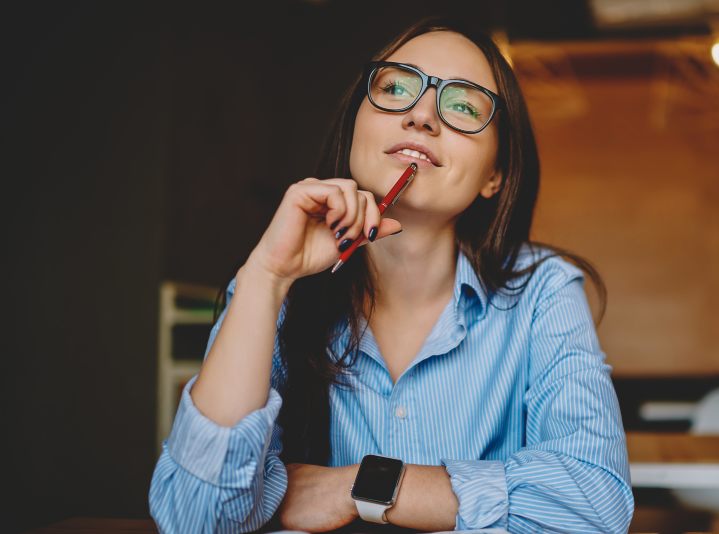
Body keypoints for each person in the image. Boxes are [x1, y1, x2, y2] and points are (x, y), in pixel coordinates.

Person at [149, 17, 634, 534]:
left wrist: (360, 486)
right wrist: (266, 277)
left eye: (464, 106)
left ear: (497, 175)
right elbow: (194, 519)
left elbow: (594, 504)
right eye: (396, 88)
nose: (422, 115)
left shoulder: (544, 292)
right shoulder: (275, 284)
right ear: (355, 126)